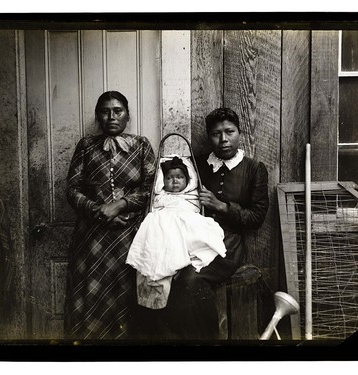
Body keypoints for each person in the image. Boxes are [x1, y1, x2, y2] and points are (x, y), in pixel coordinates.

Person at [139, 107, 269, 340]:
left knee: (191, 280)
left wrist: (223, 207)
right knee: (161, 275)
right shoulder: (196, 166)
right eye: (216, 134)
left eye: (230, 132)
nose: (223, 139)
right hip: (187, 239)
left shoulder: (253, 169)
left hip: (226, 245)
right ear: (209, 137)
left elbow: (257, 218)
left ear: (239, 133)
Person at [64, 91, 156, 340]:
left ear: (128, 116)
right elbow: (72, 189)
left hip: (129, 236)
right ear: (98, 117)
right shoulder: (86, 146)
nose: (111, 116)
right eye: (105, 111)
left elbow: (151, 189)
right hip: (92, 237)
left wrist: (120, 205)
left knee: (125, 298)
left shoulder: (141, 145)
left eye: (118, 111)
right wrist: (99, 211)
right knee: (91, 299)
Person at [126, 156, 227, 310]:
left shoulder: (192, 195)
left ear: (188, 180)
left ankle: (186, 257)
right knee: (157, 240)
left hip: (186, 223)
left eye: (179, 177)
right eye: (169, 178)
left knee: (199, 233)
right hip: (163, 226)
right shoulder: (161, 196)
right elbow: (155, 209)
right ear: (162, 181)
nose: (174, 181)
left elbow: (195, 212)